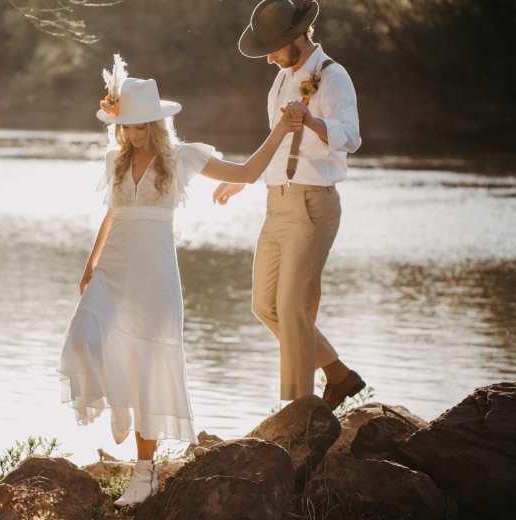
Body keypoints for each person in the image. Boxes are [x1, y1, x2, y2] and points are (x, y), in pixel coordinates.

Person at [59, 55, 302, 507]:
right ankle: (116, 406)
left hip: (154, 278)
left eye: (136, 126)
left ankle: (144, 474)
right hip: (112, 271)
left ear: (154, 123)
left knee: (149, 367)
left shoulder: (183, 158)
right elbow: (113, 212)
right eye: (124, 125)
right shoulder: (115, 159)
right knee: (82, 338)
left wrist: (283, 131)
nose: (128, 133)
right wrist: (90, 264)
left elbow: (247, 173)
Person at [213, 0, 366, 408]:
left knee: (293, 308)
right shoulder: (281, 81)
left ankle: (297, 414)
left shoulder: (333, 77)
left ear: (298, 37)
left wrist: (312, 122)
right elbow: (280, 147)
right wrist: (245, 182)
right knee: (264, 305)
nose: (269, 56)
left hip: (313, 205)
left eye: (275, 46)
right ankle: (338, 374)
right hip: (276, 203)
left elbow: (351, 138)